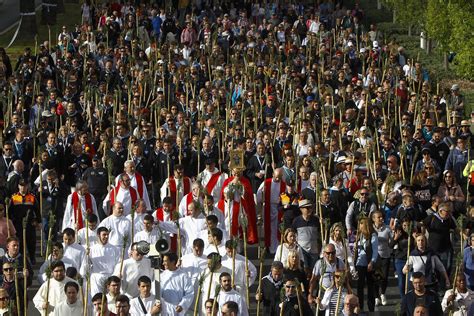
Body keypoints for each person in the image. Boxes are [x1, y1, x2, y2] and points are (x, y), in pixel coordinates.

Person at [80, 226, 120, 296]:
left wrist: (114, 277)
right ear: (98, 235)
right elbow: (86, 266)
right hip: (96, 278)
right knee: (97, 297)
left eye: (107, 234)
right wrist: (86, 256)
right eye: (104, 235)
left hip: (110, 276)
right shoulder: (92, 249)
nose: (106, 237)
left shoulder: (114, 249)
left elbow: (118, 264)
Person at [8, 179, 40, 264]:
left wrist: (38, 221)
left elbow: (37, 210)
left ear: (27, 186)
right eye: (21, 185)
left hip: (29, 223)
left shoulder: (32, 197)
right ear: (18, 186)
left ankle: (32, 258)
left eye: (25, 185)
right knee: (19, 242)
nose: (23, 187)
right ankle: (21, 259)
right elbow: (9, 212)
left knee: (31, 241)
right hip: (17, 224)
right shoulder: (14, 197)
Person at [256, 168, 286, 253]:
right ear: (273, 174)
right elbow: (259, 195)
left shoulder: (283, 184)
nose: (277, 179)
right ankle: (269, 247)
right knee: (269, 228)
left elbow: (287, 196)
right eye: (276, 177)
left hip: (279, 208)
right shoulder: (266, 183)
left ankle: (277, 248)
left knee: (277, 229)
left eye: (279, 177)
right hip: (268, 207)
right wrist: (262, 196)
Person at [353, 217, 378, 312]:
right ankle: (360, 306)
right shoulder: (359, 235)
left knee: (370, 286)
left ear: (366, 225)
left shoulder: (373, 236)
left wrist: (372, 262)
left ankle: (371, 307)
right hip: (360, 263)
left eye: (361, 224)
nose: (359, 226)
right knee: (360, 286)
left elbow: (375, 251)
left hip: (368, 263)